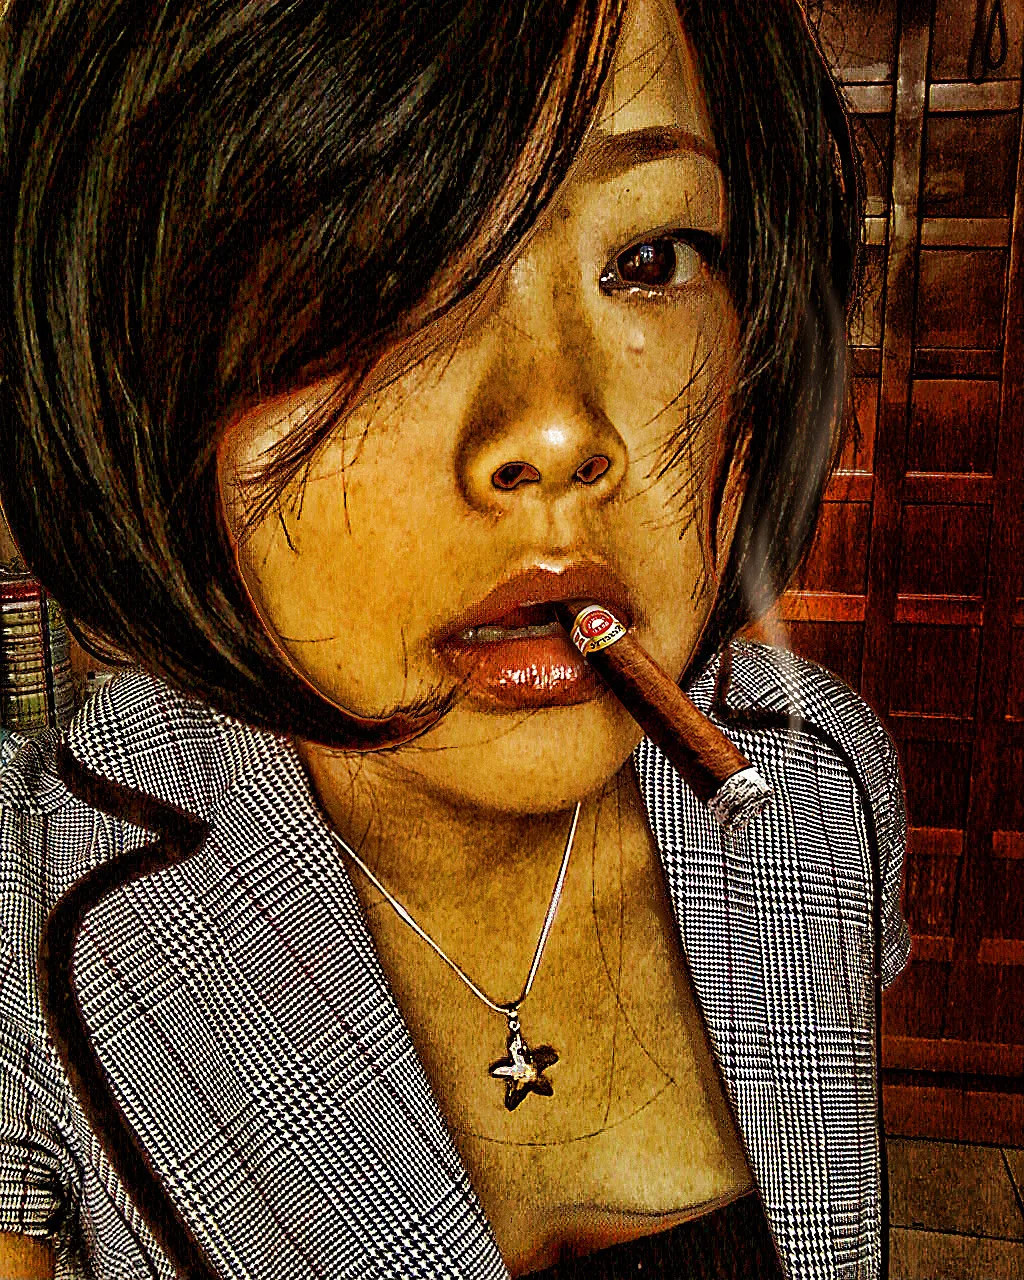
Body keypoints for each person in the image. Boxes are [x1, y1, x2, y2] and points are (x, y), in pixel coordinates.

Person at [0, 0, 911, 1276]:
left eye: (648, 257)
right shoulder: (29, 884)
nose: (554, 427)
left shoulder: (819, 782)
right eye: (369, 276)